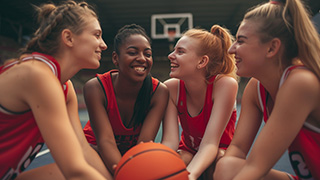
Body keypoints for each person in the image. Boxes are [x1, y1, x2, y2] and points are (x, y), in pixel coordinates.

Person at [0, 1, 113, 179]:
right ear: (68, 38)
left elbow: (83, 151)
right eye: (97, 35)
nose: (104, 45)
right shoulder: (37, 75)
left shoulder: (64, 87)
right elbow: (75, 169)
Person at [213, 0, 320, 179]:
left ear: (272, 48)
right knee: (227, 166)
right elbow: (237, 150)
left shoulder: (301, 82)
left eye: (240, 41)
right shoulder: (256, 88)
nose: (231, 50)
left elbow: (255, 167)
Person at [82, 24, 169, 176]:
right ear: (116, 58)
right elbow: (105, 142)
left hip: (132, 155)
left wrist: (130, 171)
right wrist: (125, 173)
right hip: (96, 151)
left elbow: (144, 143)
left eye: (147, 54)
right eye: (132, 52)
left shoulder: (159, 91)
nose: (142, 59)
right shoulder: (96, 88)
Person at [161, 25, 238, 180]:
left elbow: (211, 144)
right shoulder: (170, 88)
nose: (170, 55)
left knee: (217, 165)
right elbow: (170, 141)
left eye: (180, 51)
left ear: (202, 61)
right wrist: (155, 161)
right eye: (174, 50)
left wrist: (190, 176)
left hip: (219, 148)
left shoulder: (225, 85)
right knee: (176, 164)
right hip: (188, 149)